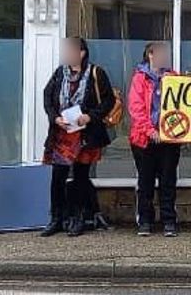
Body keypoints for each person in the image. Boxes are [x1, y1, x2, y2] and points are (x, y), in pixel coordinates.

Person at [41, 37, 115, 237]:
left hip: (85, 134)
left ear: (81, 53)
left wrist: (90, 116)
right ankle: (56, 218)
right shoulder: (59, 74)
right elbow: (47, 97)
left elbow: (109, 100)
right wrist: (55, 117)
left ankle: (79, 218)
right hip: (62, 133)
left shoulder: (96, 73)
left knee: (81, 178)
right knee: (58, 177)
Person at [128, 42, 181, 237]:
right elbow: (136, 108)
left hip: (169, 138)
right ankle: (145, 221)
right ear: (150, 55)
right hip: (144, 139)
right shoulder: (139, 79)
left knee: (168, 181)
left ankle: (169, 221)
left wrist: (172, 131)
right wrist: (150, 131)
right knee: (146, 182)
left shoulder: (174, 78)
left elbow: (183, 105)